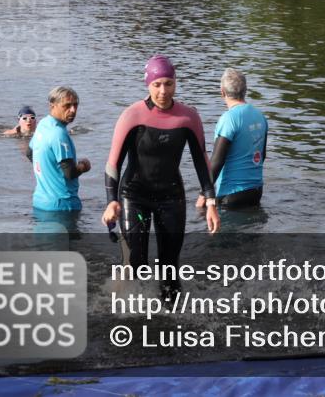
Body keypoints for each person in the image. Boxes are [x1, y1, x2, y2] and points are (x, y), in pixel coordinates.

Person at [102, 55, 220, 299]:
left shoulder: (188, 117)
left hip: (170, 197)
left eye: (168, 83)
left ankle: (172, 322)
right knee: (136, 263)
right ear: (148, 85)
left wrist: (210, 202)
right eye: (157, 84)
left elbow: (202, 162)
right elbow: (113, 163)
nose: (163, 91)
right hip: (134, 196)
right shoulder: (132, 116)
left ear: (176, 83)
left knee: (169, 269)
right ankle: (126, 313)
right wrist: (111, 200)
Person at [196, 68, 268, 210]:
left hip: (231, 195)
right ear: (245, 90)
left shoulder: (229, 119)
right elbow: (263, 155)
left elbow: (217, 161)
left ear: (222, 92)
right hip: (256, 192)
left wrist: (203, 194)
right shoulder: (260, 116)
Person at [26, 87, 91, 212]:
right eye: (67, 106)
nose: (73, 110)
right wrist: (84, 166)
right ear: (53, 106)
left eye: (75, 105)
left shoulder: (43, 125)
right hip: (63, 206)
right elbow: (70, 173)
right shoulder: (59, 134)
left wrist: (48, 172)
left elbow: (30, 153)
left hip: (40, 202)